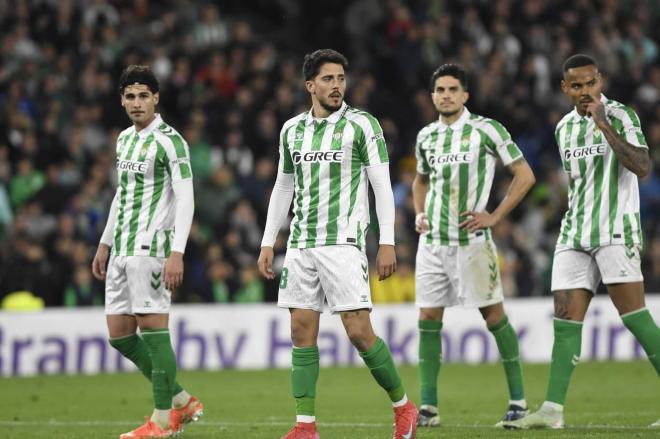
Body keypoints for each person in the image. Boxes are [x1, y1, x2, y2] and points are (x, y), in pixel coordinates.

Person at [257, 49, 418, 439]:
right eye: (328, 79)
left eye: (341, 78)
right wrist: (268, 241)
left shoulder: (362, 125)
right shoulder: (292, 130)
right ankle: (305, 426)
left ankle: (404, 407)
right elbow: (283, 186)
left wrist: (387, 241)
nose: (336, 86)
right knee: (300, 330)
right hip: (300, 242)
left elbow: (381, 185)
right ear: (310, 85)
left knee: (359, 331)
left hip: (344, 241)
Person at [504, 54, 660, 429]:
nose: (585, 91)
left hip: (614, 231)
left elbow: (642, 167)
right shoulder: (562, 129)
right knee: (565, 319)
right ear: (565, 88)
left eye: (591, 84)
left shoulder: (622, 116)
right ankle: (553, 411)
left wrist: (604, 126)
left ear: (600, 81)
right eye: (577, 86)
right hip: (574, 232)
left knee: (634, 317)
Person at [412, 64, 536, 427]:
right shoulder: (426, 137)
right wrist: (420, 213)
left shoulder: (487, 130)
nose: (445, 95)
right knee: (428, 318)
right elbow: (420, 181)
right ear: (432, 95)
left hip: (472, 244)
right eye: (439, 89)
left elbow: (525, 175)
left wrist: (495, 216)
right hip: (433, 244)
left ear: (465, 95)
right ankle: (429, 408)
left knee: (493, 315)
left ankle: (518, 402)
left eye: (452, 89)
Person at [92, 65, 203, 439]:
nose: (136, 103)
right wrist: (105, 242)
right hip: (121, 246)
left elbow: (186, 199)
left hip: (151, 247)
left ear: (156, 98)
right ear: (122, 101)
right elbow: (122, 195)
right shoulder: (124, 139)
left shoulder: (171, 141)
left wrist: (177, 251)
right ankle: (182, 400)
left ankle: (160, 422)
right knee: (120, 334)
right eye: (129, 96)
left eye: (143, 95)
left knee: (155, 332)